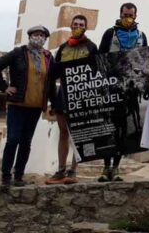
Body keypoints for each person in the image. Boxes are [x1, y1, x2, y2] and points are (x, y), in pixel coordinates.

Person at [0, 25, 53, 190]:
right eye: (36, 34)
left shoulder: (47, 56)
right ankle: (5, 177)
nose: (39, 37)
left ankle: (19, 176)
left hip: (35, 107)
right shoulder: (18, 53)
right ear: (30, 36)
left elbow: (51, 80)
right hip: (17, 105)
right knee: (13, 140)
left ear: (45, 39)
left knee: (26, 142)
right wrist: (5, 87)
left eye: (42, 35)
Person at [96, 2, 149, 182]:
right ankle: (105, 167)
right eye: (125, 14)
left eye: (131, 15)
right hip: (111, 86)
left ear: (136, 15)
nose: (128, 18)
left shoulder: (141, 36)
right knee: (108, 124)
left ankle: (117, 167)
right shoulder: (110, 34)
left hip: (129, 88)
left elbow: (145, 61)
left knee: (123, 126)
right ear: (120, 14)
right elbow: (99, 58)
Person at [45, 14, 98, 184]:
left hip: (81, 95)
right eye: (75, 24)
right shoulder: (62, 48)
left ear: (86, 27)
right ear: (70, 26)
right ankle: (60, 170)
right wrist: (52, 99)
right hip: (63, 95)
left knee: (78, 134)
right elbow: (53, 75)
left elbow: (96, 72)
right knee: (63, 133)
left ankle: (73, 171)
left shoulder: (91, 47)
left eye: (81, 24)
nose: (77, 26)